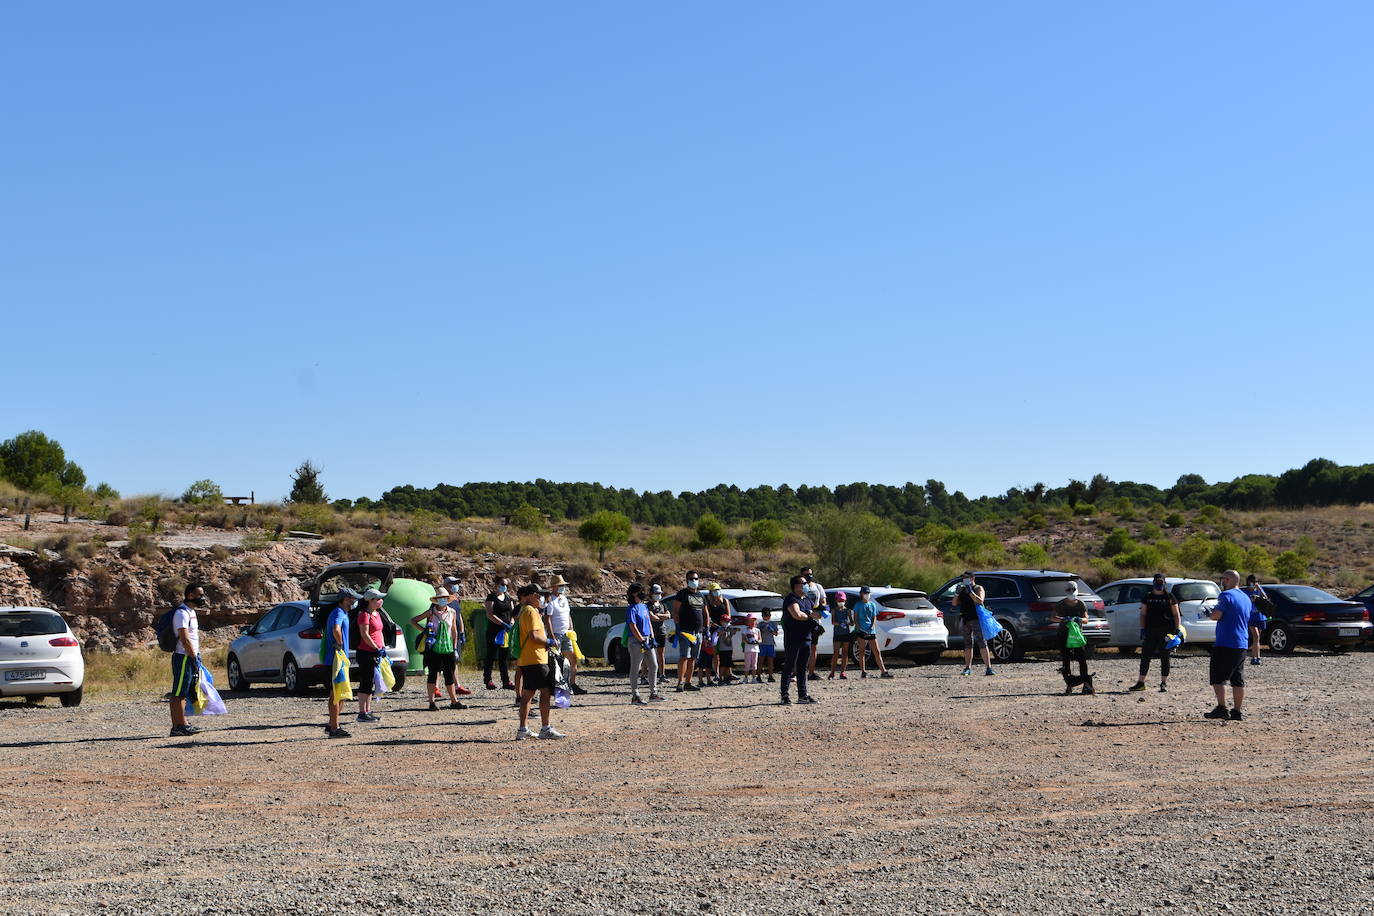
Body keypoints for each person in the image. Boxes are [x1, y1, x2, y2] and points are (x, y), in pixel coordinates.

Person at [515, 584, 565, 740]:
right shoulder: (531, 612)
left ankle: (523, 729)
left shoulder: (524, 611)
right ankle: (545, 728)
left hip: (528, 658)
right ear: (531, 595)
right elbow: (534, 636)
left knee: (528, 693)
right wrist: (550, 641)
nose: (541, 598)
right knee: (545, 691)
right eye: (538, 595)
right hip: (536, 658)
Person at [1205, 570, 1254, 721]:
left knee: (1218, 677)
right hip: (1242, 642)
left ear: (1226, 580)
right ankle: (1237, 711)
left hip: (1226, 642)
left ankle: (1221, 708)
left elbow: (1217, 615)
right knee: (1237, 679)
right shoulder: (1246, 597)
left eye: (1222, 579)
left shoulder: (1226, 595)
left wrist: (1209, 613)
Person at [411, 586, 464, 711]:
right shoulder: (431, 612)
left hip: (448, 648)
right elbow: (413, 620)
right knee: (433, 674)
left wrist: (455, 647)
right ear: (436, 600)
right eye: (440, 598)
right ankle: (431, 702)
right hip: (433, 648)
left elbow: (454, 631)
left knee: (449, 674)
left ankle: (454, 701)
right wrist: (425, 631)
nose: (442, 600)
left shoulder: (452, 612)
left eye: (444, 598)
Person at [1128, 574, 1181, 693]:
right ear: (1153, 583)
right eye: (1157, 582)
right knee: (1145, 656)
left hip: (1166, 631)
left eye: (1161, 582)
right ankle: (1141, 683)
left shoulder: (1170, 596)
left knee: (1165, 657)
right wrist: (1142, 629)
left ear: (1164, 583)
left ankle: (1163, 683)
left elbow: (1176, 614)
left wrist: (1177, 630)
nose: (1159, 585)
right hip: (1150, 630)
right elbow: (1143, 614)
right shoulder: (1148, 596)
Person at [168, 583, 206, 738]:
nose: (202, 598)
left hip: (190, 656)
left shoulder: (191, 612)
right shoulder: (182, 613)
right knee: (178, 693)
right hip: (183, 656)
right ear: (190, 595)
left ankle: (183, 723)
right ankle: (178, 726)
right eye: (199, 595)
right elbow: (184, 639)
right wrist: (192, 657)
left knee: (184, 692)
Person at [779, 575, 822, 705]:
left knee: (803, 667)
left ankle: (803, 696)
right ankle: (784, 696)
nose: (807, 585)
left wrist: (815, 614)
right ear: (796, 586)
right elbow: (797, 615)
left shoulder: (807, 599)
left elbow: (816, 614)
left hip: (806, 637)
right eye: (804, 583)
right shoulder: (791, 599)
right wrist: (809, 614)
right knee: (789, 666)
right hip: (793, 638)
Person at [323, 586, 358, 738]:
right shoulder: (338, 612)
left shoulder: (342, 612)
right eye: (352, 598)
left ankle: (333, 723)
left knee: (341, 693)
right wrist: (340, 644)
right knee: (336, 694)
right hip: (335, 659)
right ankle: (334, 728)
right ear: (345, 599)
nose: (354, 601)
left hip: (339, 659)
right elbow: (336, 629)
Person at [543, 574, 587, 695]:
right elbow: (548, 619)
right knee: (556, 662)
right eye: (560, 585)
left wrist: (571, 629)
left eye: (563, 585)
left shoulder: (564, 599)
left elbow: (568, 615)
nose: (562, 588)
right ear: (553, 587)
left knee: (572, 659)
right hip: (556, 634)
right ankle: (555, 687)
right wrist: (552, 636)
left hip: (566, 634)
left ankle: (572, 684)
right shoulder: (550, 600)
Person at [1049, 582, 1094, 695]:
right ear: (1065, 590)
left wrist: (1079, 619)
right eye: (1068, 589)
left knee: (1082, 660)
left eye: (1073, 589)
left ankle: (1086, 685)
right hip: (1064, 635)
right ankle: (1069, 685)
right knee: (1066, 660)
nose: (1071, 591)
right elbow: (1053, 617)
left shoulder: (1081, 604)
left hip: (1077, 636)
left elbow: (1086, 619)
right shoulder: (1060, 604)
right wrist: (1064, 619)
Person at [625, 583, 665, 705]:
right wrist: (641, 640)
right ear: (633, 593)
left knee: (653, 665)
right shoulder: (631, 609)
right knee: (636, 667)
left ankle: (653, 693)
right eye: (640, 591)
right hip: (636, 641)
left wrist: (652, 638)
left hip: (647, 639)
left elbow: (648, 623)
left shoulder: (644, 607)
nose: (643, 593)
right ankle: (635, 695)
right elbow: (633, 627)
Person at [354, 587, 388, 723]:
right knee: (365, 682)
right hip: (366, 652)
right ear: (370, 600)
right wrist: (375, 648)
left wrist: (382, 646)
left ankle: (367, 711)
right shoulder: (364, 615)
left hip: (375, 652)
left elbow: (379, 632)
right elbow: (364, 634)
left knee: (371, 682)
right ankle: (362, 712)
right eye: (378, 598)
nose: (381, 601)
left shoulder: (377, 614)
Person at [672, 571, 706, 692]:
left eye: (696, 578)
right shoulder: (682, 594)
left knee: (693, 658)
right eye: (692, 578)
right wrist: (677, 625)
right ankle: (680, 682)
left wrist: (706, 628)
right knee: (684, 657)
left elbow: (705, 612)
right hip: (685, 631)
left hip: (698, 632)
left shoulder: (701, 596)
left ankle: (688, 682)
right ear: (687, 580)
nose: (694, 580)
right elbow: (675, 611)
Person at [955, 572, 994, 676]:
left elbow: (980, 601)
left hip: (976, 618)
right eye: (963, 578)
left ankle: (988, 668)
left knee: (981, 642)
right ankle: (967, 668)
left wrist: (971, 591)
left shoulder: (978, 588)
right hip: (965, 618)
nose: (964, 580)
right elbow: (954, 603)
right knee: (968, 644)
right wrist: (957, 594)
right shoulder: (963, 590)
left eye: (967, 578)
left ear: (972, 578)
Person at [850, 587, 893, 678]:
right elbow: (856, 619)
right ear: (861, 594)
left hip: (871, 631)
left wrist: (872, 626)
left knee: (877, 651)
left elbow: (874, 617)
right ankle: (863, 671)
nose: (867, 595)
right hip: (861, 631)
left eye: (868, 593)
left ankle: (883, 671)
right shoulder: (858, 605)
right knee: (862, 651)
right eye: (865, 593)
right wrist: (859, 628)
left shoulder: (872, 605)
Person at [483, 577, 517, 690]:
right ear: (497, 584)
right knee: (491, 656)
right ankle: (488, 680)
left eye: (506, 585)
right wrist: (502, 623)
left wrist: (511, 622)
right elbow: (490, 614)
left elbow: (513, 613)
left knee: (503, 657)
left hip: (505, 632)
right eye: (502, 584)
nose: (505, 587)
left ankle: (506, 681)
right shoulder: (491, 597)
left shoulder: (508, 597)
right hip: (494, 631)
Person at [800, 567, 826, 680]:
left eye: (810, 574)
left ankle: (811, 672)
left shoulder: (818, 587)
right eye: (806, 574)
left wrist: (819, 608)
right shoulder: (801, 588)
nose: (809, 576)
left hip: (815, 621)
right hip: (803, 620)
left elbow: (824, 601)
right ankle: (798, 672)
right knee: (802, 647)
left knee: (813, 647)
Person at [1244, 575, 1270, 666]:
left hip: (1260, 616)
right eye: (1252, 582)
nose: (1253, 584)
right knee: (1256, 635)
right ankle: (1254, 657)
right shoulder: (1245, 592)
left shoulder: (1258, 590)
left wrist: (1259, 588)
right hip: (1251, 616)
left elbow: (1265, 598)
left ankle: (1257, 657)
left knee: (1257, 638)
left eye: (1255, 582)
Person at [828, 591, 853, 679]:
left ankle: (843, 672)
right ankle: (832, 672)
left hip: (846, 633)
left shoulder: (848, 610)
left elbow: (852, 623)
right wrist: (840, 623)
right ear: (836, 600)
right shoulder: (834, 610)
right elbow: (833, 622)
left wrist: (848, 623)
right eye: (839, 600)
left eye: (842, 600)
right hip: (837, 634)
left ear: (845, 600)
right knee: (836, 652)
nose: (841, 602)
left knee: (845, 653)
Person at [648, 584, 670, 685]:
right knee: (648, 655)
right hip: (651, 633)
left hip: (661, 632)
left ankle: (662, 675)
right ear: (651, 594)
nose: (658, 595)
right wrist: (662, 616)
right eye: (656, 593)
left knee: (661, 654)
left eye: (659, 593)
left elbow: (668, 615)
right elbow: (653, 618)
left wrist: (659, 615)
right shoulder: (648, 605)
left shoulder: (662, 604)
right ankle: (644, 675)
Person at [714, 601, 737, 684]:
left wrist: (732, 629)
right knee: (723, 664)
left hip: (729, 648)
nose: (726, 623)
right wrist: (723, 630)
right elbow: (718, 635)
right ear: (721, 622)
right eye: (725, 621)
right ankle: (720, 678)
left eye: (727, 622)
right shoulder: (720, 629)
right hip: (722, 649)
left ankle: (727, 677)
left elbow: (734, 632)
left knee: (728, 664)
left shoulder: (729, 629)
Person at [759, 609, 779, 682]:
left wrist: (771, 630)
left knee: (770, 661)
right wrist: (762, 629)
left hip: (770, 644)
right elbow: (758, 634)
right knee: (761, 660)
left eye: (767, 616)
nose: (766, 617)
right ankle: (758, 676)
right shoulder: (760, 624)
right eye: (764, 616)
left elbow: (776, 634)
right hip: (762, 644)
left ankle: (770, 676)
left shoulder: (772, 623)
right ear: (762, 616)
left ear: (770, 616)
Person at [741, 615, 762, 683]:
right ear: (747, 622)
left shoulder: (757, 630)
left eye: (753, 621)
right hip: (748, 649)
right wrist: (748, 641)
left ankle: (754, 678)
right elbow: (743, 639)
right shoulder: (745, 630)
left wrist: (757, 642)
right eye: (750, 621)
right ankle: (746, 678)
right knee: (747, 664)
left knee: (754, 664)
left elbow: (760, 639)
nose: (752, 623)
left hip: (755, 649)